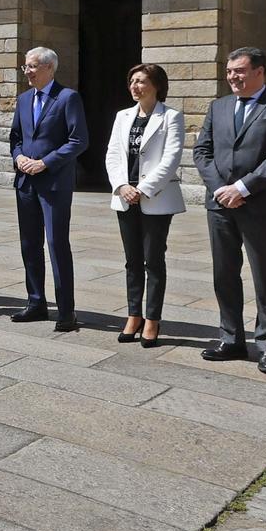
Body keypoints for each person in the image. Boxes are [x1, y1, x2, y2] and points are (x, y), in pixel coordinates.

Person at [192, 46, 266, 375]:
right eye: (229, 72)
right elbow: (202, 151)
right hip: (219, 204)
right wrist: (220, 189)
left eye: (239, 71)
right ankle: (231, 338)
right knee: (224, 274)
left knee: (265, 277)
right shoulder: (219, 106)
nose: (232, 77)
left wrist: (242, 188)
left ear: (259, 72)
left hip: (260, 205)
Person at [103, 63, 186, 347]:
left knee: (154, 260)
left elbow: (171, 158)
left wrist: (143, 189)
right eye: (132, 81)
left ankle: (152, 319)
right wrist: (122, 186)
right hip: (125, 196)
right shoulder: (122, 116)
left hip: (156, 198)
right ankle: (133, 314)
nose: (135, 87)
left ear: (157, 86)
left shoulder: (171, 117)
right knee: (132, 261)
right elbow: (113, 154)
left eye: (141, 82)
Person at [8, 47, 89, 331]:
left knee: (56, 245)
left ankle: (66, 311)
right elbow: (16, 136)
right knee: (29, 245)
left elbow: (78, 140)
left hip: (53, 183)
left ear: (49, 69)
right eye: (25, 67)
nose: (27, 72)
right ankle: (36, 302)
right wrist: (18, 157)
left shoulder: (67, 98)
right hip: (25, 182)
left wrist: (45, 163)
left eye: (32, 67)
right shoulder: (24, 99)